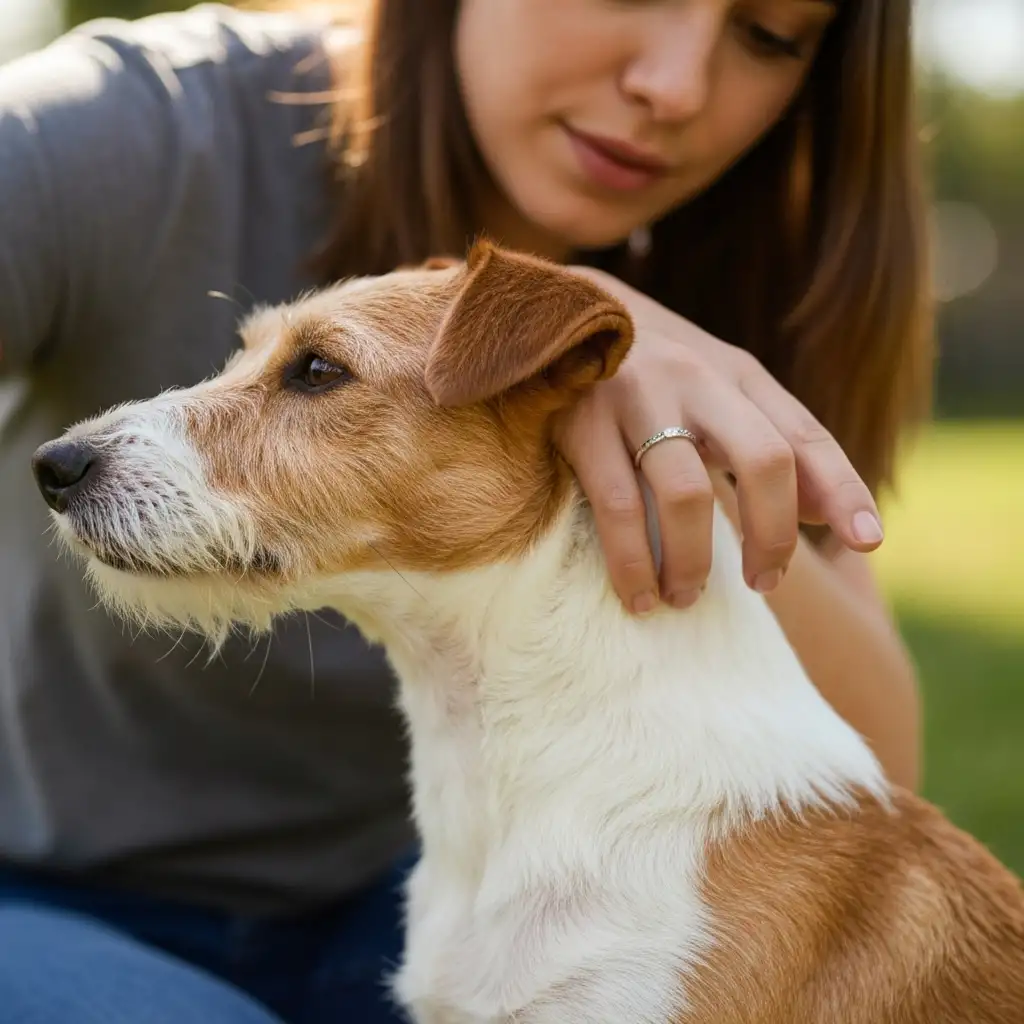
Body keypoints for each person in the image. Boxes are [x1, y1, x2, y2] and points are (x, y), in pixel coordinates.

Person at [0, 0, 932, 1020]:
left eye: (768, 37)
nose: (673, 86)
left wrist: (634, 391)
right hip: (46, 890)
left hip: (423, 890)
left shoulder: (756, 267)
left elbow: (862, 805)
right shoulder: (125, 129)